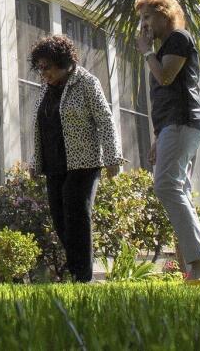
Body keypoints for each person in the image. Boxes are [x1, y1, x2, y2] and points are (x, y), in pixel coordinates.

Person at [134, 0, 200, 284]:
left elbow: (166, 77)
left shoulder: (178, 39)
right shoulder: (162, 48)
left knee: (167, 186)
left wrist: (146, 52)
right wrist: (159, 137)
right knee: (176, 188)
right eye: (141, 18)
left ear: (165, 15)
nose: (143, 25)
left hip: (183, 122)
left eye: (148, 17)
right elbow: (166, 93)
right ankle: (199, 266)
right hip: (174, 125)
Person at [29, 33, 122, 282]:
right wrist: (35, 161)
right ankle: (78, 271)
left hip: (84, 162)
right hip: (54, 164)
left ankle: (82, 276)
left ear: (62, 61)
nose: (43, 73)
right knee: (60, 219)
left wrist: (113, 157)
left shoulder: (87, 82)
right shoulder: (45, 89)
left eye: (46, 67)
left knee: (76, 214)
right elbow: (41, 126)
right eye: (39, 68)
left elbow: (105, 120)